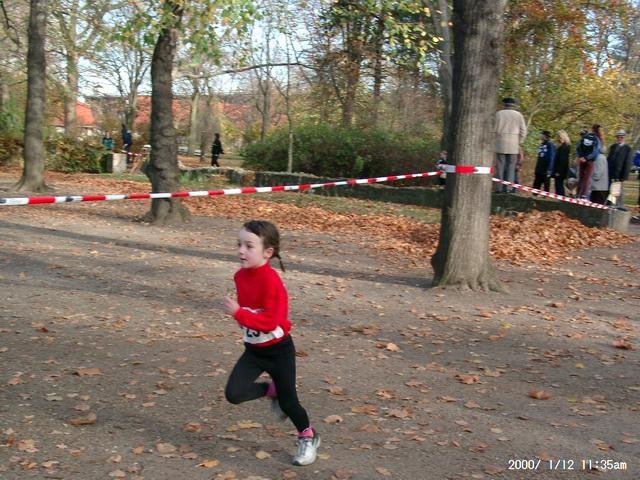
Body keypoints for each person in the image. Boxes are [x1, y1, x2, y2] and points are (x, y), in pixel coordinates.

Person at [222, 220, 320, 467]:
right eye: (239, 244)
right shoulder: (239, 276)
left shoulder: (271, 282)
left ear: (268, 252)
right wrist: (242, 319)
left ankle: (308, 436)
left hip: (279, 352)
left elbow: (270, 321)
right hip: (253, 352)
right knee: (234, 394)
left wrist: (238, 314)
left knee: (289, 403)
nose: (241, 251)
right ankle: (270, 390)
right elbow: (249, 312)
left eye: (249, 246)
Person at [494, 97, 527, 192]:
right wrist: (519, 142)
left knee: (500, 166)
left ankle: (499, 188)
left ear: (504, 105)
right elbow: (523, 131)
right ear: (514, 105)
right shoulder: (518, 115)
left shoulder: (499, 114)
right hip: (513, 144)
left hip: (500, 143)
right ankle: (508, 188)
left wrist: (494, 141)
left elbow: (493, 129)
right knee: (511, 167)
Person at [606, 129, 633, 208]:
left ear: (624, 138)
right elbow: (609, 159)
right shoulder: (613, 147)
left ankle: (614, 206)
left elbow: (628, 163)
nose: (620, 138)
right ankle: (608, 205)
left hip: (619, 174)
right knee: (609, 190)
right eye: (618, 137)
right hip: (610, 172)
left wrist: (624, 176)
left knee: (615, 191)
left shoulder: (627, 148)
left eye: (621, 137)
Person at [576, 124, 603, 199]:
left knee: (581, 177)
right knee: (587, 178)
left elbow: (578, 147)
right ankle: (584, 195)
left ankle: (578, 194)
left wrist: (581, 156)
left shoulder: (585, 136)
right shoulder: (597, 139)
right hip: (590, 161)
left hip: (582, 160)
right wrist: (587, 158)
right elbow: (596, 151)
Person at [552, 130, 571, 196]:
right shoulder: (563, 146)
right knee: (558, 185)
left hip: (560, 170)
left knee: (559, 185)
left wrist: (559, 171)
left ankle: (560, 198)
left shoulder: (564, 147)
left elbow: (563, 161)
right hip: (560, 169)